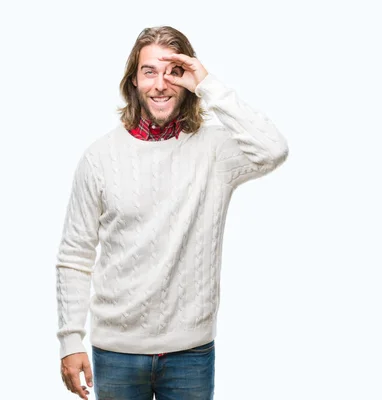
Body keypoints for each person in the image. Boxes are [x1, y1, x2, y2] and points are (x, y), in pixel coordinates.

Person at [55, 25, 288, 400]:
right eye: (150, 71)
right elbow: (74, 256)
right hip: (116, 353)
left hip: (190, 353)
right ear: (133, 80)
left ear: (189, 81)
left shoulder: (215, 152)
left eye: (174, 72)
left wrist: (209, 83)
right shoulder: (99, 158)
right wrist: (70, 340)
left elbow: (273, 149)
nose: (160, 84)